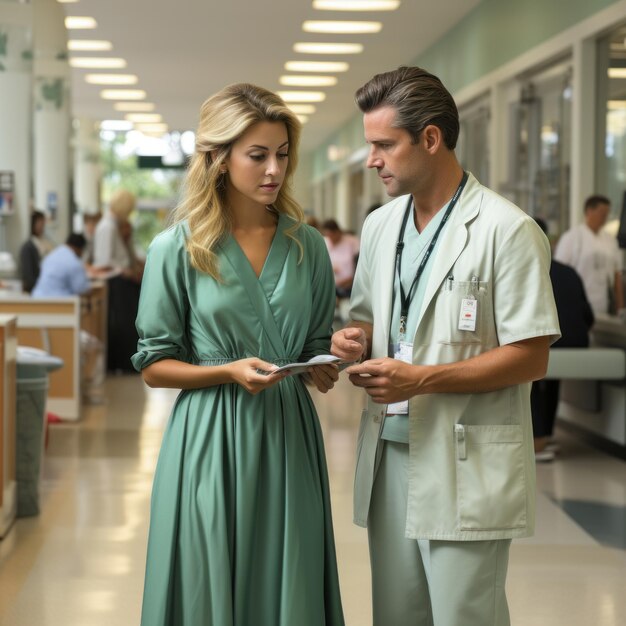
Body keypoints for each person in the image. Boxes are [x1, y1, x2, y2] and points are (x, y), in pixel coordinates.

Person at [330, 66, 560, 626]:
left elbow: (532, 355)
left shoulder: (507, 230)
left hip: (465, 461)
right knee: (397, 614)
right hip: (390, 454)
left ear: (430, 139)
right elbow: (365, 318)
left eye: (384, 145)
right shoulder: (382, 226)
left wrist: (424, 377)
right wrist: (351, 340)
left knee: (464, 615)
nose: (372, 159)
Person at [131, 83, 344, 626]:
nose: (274, 169)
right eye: (258, 155)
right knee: (207, 581)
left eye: (283, 154)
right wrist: (227, 370)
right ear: (219, 159)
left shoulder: (307, 246)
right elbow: (155, 365)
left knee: (286, 579)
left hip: (287, 436)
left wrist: (326, 364)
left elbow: (316, 344)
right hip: (209, 439)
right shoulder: (177, 249)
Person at [532, 218, 594, 462]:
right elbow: (587, 316)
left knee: (530, 381)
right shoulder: (569, 272)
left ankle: (537, 440)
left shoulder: (527, 269)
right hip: (575, 343)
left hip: (545, 344)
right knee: (551, 380)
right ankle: (546, 433)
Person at [31, 233, 105, 403]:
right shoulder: (74, 262)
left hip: (36, 314)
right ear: (79, 249)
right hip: (61, 316)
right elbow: (83, 288)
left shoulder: (52, 256)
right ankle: (86, 393)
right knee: (95, 347)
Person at [93, 189, 142, 372]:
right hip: (117, 281)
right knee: (123, 324)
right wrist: (125, 271)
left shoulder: (114, 225)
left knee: (127, 323)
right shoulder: (108, 227)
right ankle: (123, 365)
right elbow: (104, 261)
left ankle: (125, 364)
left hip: (121, 279)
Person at [554, 194, 624, 315]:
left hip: (603, 303)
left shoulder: (610, 240)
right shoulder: (572, 237)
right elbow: (559, 274)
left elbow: (616, 274)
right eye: (601, 212)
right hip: (577, 303)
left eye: (607, 213)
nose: (605, 217)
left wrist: (621, 307)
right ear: (589, 211)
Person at [321, 218, 360, 298]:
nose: (330, 239)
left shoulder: (351, 241)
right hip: (332, 287)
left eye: (331, 235)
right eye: (328, 236)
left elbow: (359, 262)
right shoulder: (325, 242)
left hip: (350, 286)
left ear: (337, 232)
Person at [19, 210, 48, 293]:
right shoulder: (28, 247)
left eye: (43, 223)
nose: (42, 226)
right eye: (39, 223)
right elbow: (28, 276)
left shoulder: (44, 243)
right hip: (33, 290)